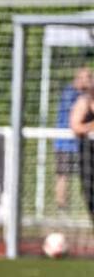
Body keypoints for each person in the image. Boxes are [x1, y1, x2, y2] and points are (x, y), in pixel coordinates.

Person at [56, 67, 92, 210]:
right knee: (63, 175)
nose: (89, 81)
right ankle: (62, 208)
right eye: (87, 78)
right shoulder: (72, 94)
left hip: (80, 144)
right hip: (65, 143)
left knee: (85, 177)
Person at [71, 75, 94, 226]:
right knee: (90, 194)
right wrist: (91, 126)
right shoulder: (83, 102)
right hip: (89, 156)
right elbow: (76, 126)